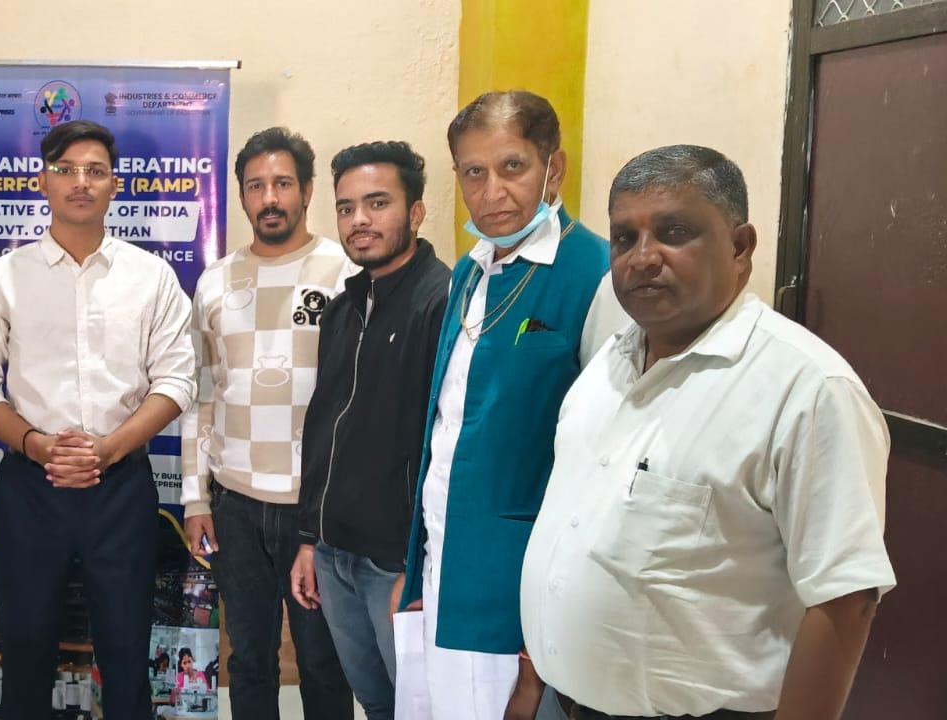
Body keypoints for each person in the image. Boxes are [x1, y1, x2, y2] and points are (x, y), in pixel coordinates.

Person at [521, 145, 895, 720]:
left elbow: (846, 599)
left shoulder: (807, 389)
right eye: (624, 238)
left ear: (740, 247)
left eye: (674, 232)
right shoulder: (609, 362)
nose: (642, 258)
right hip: (567, 700)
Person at [391, 90, 625, 720]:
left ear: (555, 168)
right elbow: (448, 427)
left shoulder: (596, 274)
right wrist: (420, 563)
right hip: (446, 560)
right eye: (474, 172)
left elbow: (608, 456)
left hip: (520, 582)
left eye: (512, 167)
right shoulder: (471, 271)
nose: (491, 191)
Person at [0, 119, 195, 720]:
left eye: (95, 171)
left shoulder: (151, 277)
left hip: (122, 486)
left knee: (126, 647)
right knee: (26, 645)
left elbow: (176, 381)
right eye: (65, 170)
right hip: (30, 485)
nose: (80, 182)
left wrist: (109, 448)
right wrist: (36, 444)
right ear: (43, 182)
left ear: (115, 184)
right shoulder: (3, 277)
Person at [179, 126, 354, 720]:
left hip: (317, 509)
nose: (270, 198)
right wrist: (196, 499)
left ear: (307, 191)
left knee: (322, 662)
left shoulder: (343, 272)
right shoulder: (214, 282)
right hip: (236, 506)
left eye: (283, 183)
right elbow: (201, 395)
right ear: (241, 196)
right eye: (256, 186)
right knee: (249, 661)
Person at [291, 141, 451, 720]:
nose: (359, 219)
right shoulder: (342, 308)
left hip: (396, 564)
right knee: (376, 703)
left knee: (416, 708)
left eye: (378, 203)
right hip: (335, 556)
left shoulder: (442, 302)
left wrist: (418, 564)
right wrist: (310, 539)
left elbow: (444, 447)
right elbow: (324, 428)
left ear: (416, 212)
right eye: (347, 207)